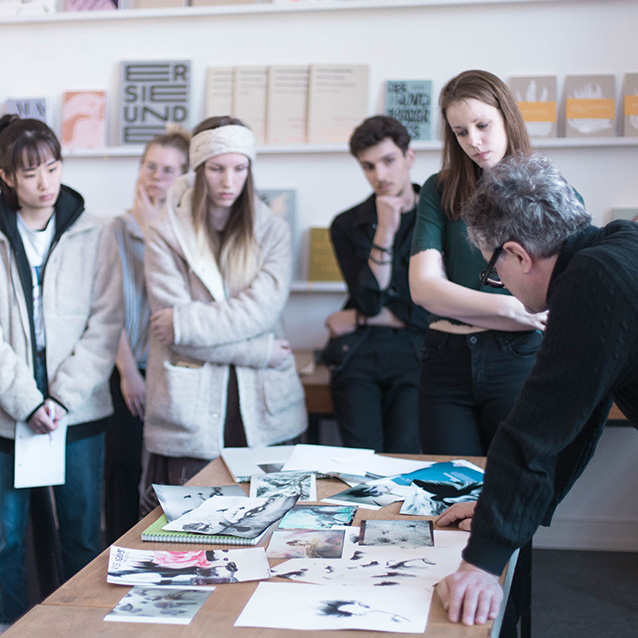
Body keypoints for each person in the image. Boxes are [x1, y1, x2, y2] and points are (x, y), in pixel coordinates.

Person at [435, 152, 638, 627]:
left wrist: (479, 565)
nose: (499, 284)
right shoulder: (618, 243)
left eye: (492, 272)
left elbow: (534, 430)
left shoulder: (593, 280)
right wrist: (497, 519)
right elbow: (575, 421)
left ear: (518, 254)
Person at [141, 116, 307, 501]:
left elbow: (260, 313)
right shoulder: (165, 233)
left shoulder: (272, 231)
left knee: (274, 529)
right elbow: (172, 332)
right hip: (189, 413)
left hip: (267, 408)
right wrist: (256, 350)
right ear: (198, 170)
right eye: (216, 169)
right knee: (186, 536)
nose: (228, 182)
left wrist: (188, 323)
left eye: (239, 168)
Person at [0, 115, 122, 625]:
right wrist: (27, 401)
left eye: (53, 168)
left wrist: (62, 398)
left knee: (82, 534)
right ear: (6, 177)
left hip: (79, 410)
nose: (45, 183)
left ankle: (83, 626)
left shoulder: (96, 232)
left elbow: (107, 322)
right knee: (5, 538)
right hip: (9, 413)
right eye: (30, 174)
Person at [409, 70, 551, 457]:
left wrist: (456, 300)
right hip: (445, 361)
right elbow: (423, 289)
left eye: (482, 124)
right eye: (460, 131)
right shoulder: (440, 189)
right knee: (447, 495)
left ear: (507, 116)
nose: (473, 141)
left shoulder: (550, 189)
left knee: (511, 494)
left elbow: (550, 301)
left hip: (518, 359)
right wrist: (509, 307)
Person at [104, 128, 190, 544]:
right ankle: (118, 549)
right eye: (151, 166)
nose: (157, 176)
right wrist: (127, 372)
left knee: (167, 472)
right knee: (123, 466)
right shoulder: (116, 230)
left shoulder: (188, 234)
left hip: (175, 368)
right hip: (130, 366)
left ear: (186, 177)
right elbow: (108, 309)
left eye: (169, 169)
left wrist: (156, 228)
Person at [325, 116, 428, 453]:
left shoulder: (440, 215)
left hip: (419, 353)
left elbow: (431, 308)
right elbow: (369, 301)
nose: (380, 176)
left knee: (404, 461)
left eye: (388, 161)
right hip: (360, 353)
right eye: (368, 166)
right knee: (359, 467)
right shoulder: (346, 224)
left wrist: (357, 317)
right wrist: (384, 229)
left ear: (409, 157)